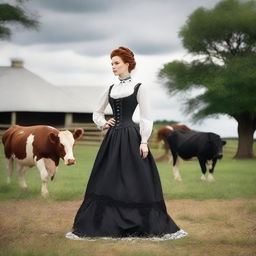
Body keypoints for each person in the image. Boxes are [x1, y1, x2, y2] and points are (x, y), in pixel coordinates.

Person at [66, 46, 188, 241]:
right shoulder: (110, 89)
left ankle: (139, 221)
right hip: (113, 139)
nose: (113, 67)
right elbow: (96, 112)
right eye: (111, 63)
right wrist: (103, 123)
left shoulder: (139, 87)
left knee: (134, 179)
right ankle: (105, 222)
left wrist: (144, 141)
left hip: (132, 137)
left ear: (127, 64)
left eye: (116, 63)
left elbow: (147, 117)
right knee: (107, 178)